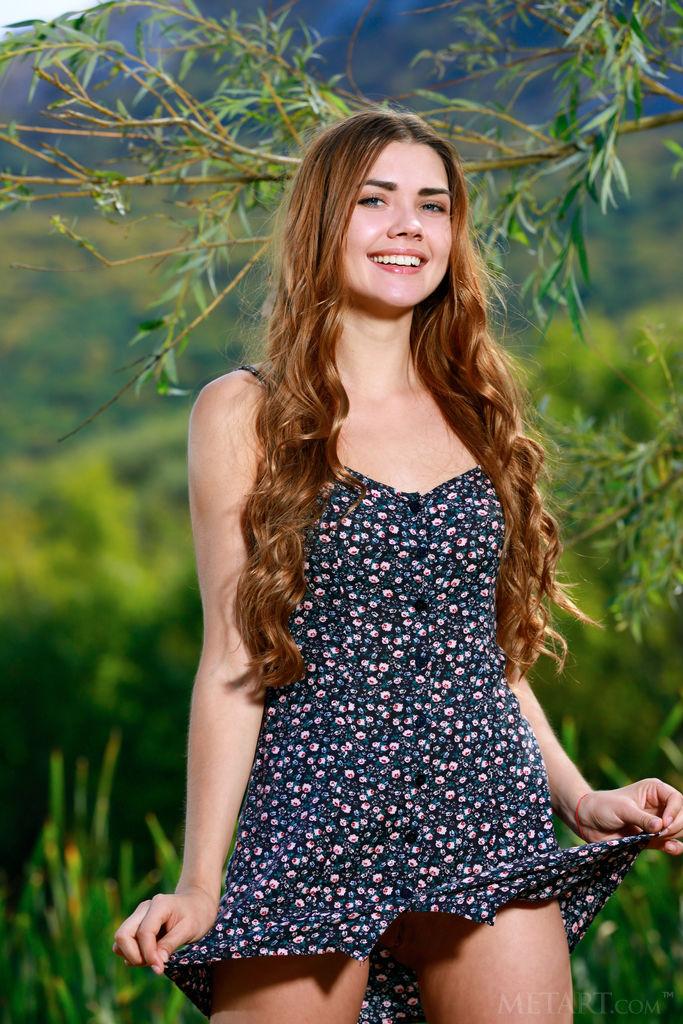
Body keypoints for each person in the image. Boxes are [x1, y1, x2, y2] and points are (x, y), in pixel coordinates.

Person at [112, 107, 682, 1024]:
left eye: (432, 205)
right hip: (311, 823)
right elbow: (232, 659)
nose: (408, 226)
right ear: (322, 222)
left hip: (488, 817)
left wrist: (576, 795)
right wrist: (201, 881)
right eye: (374, 201)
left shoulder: (479, 410)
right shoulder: (243, 413)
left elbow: (481, 656)